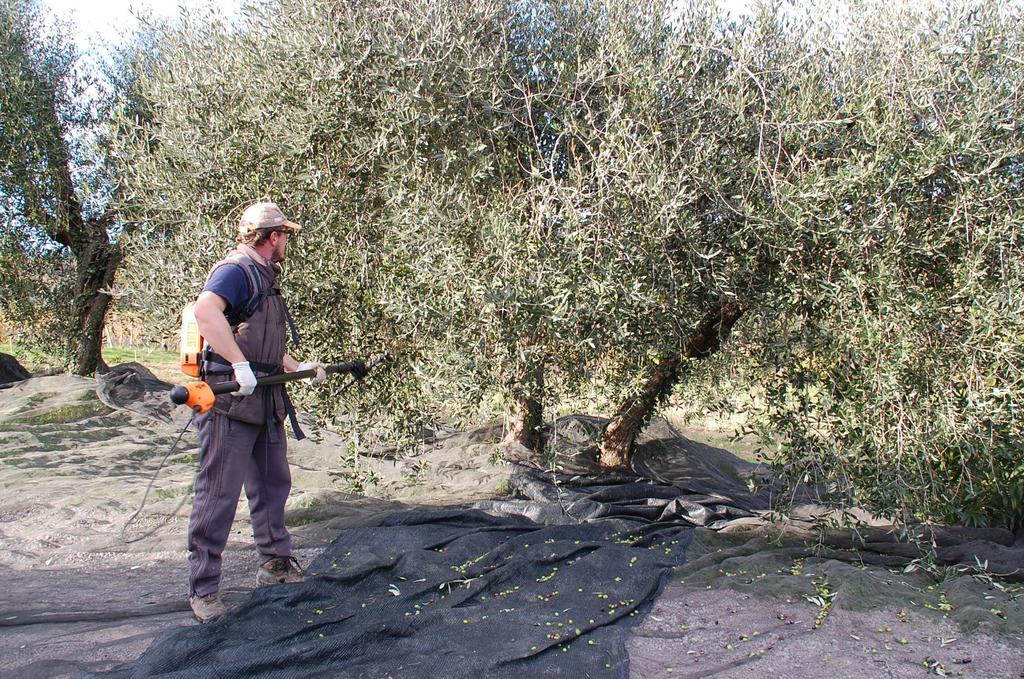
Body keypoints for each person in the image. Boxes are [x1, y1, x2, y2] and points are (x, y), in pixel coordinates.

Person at [186, 202, 330, 623]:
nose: (288, 241)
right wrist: (238, 365)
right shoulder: (235, 270)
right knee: (219, 494)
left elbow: (261, 340)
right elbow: (205, 312)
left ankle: (275, 564)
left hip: (265, 399)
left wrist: (295, 368)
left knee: (272, 485)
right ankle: (204, 590)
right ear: (271, 237)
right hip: (229, 401)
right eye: (285, 234)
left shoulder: (267, 276)